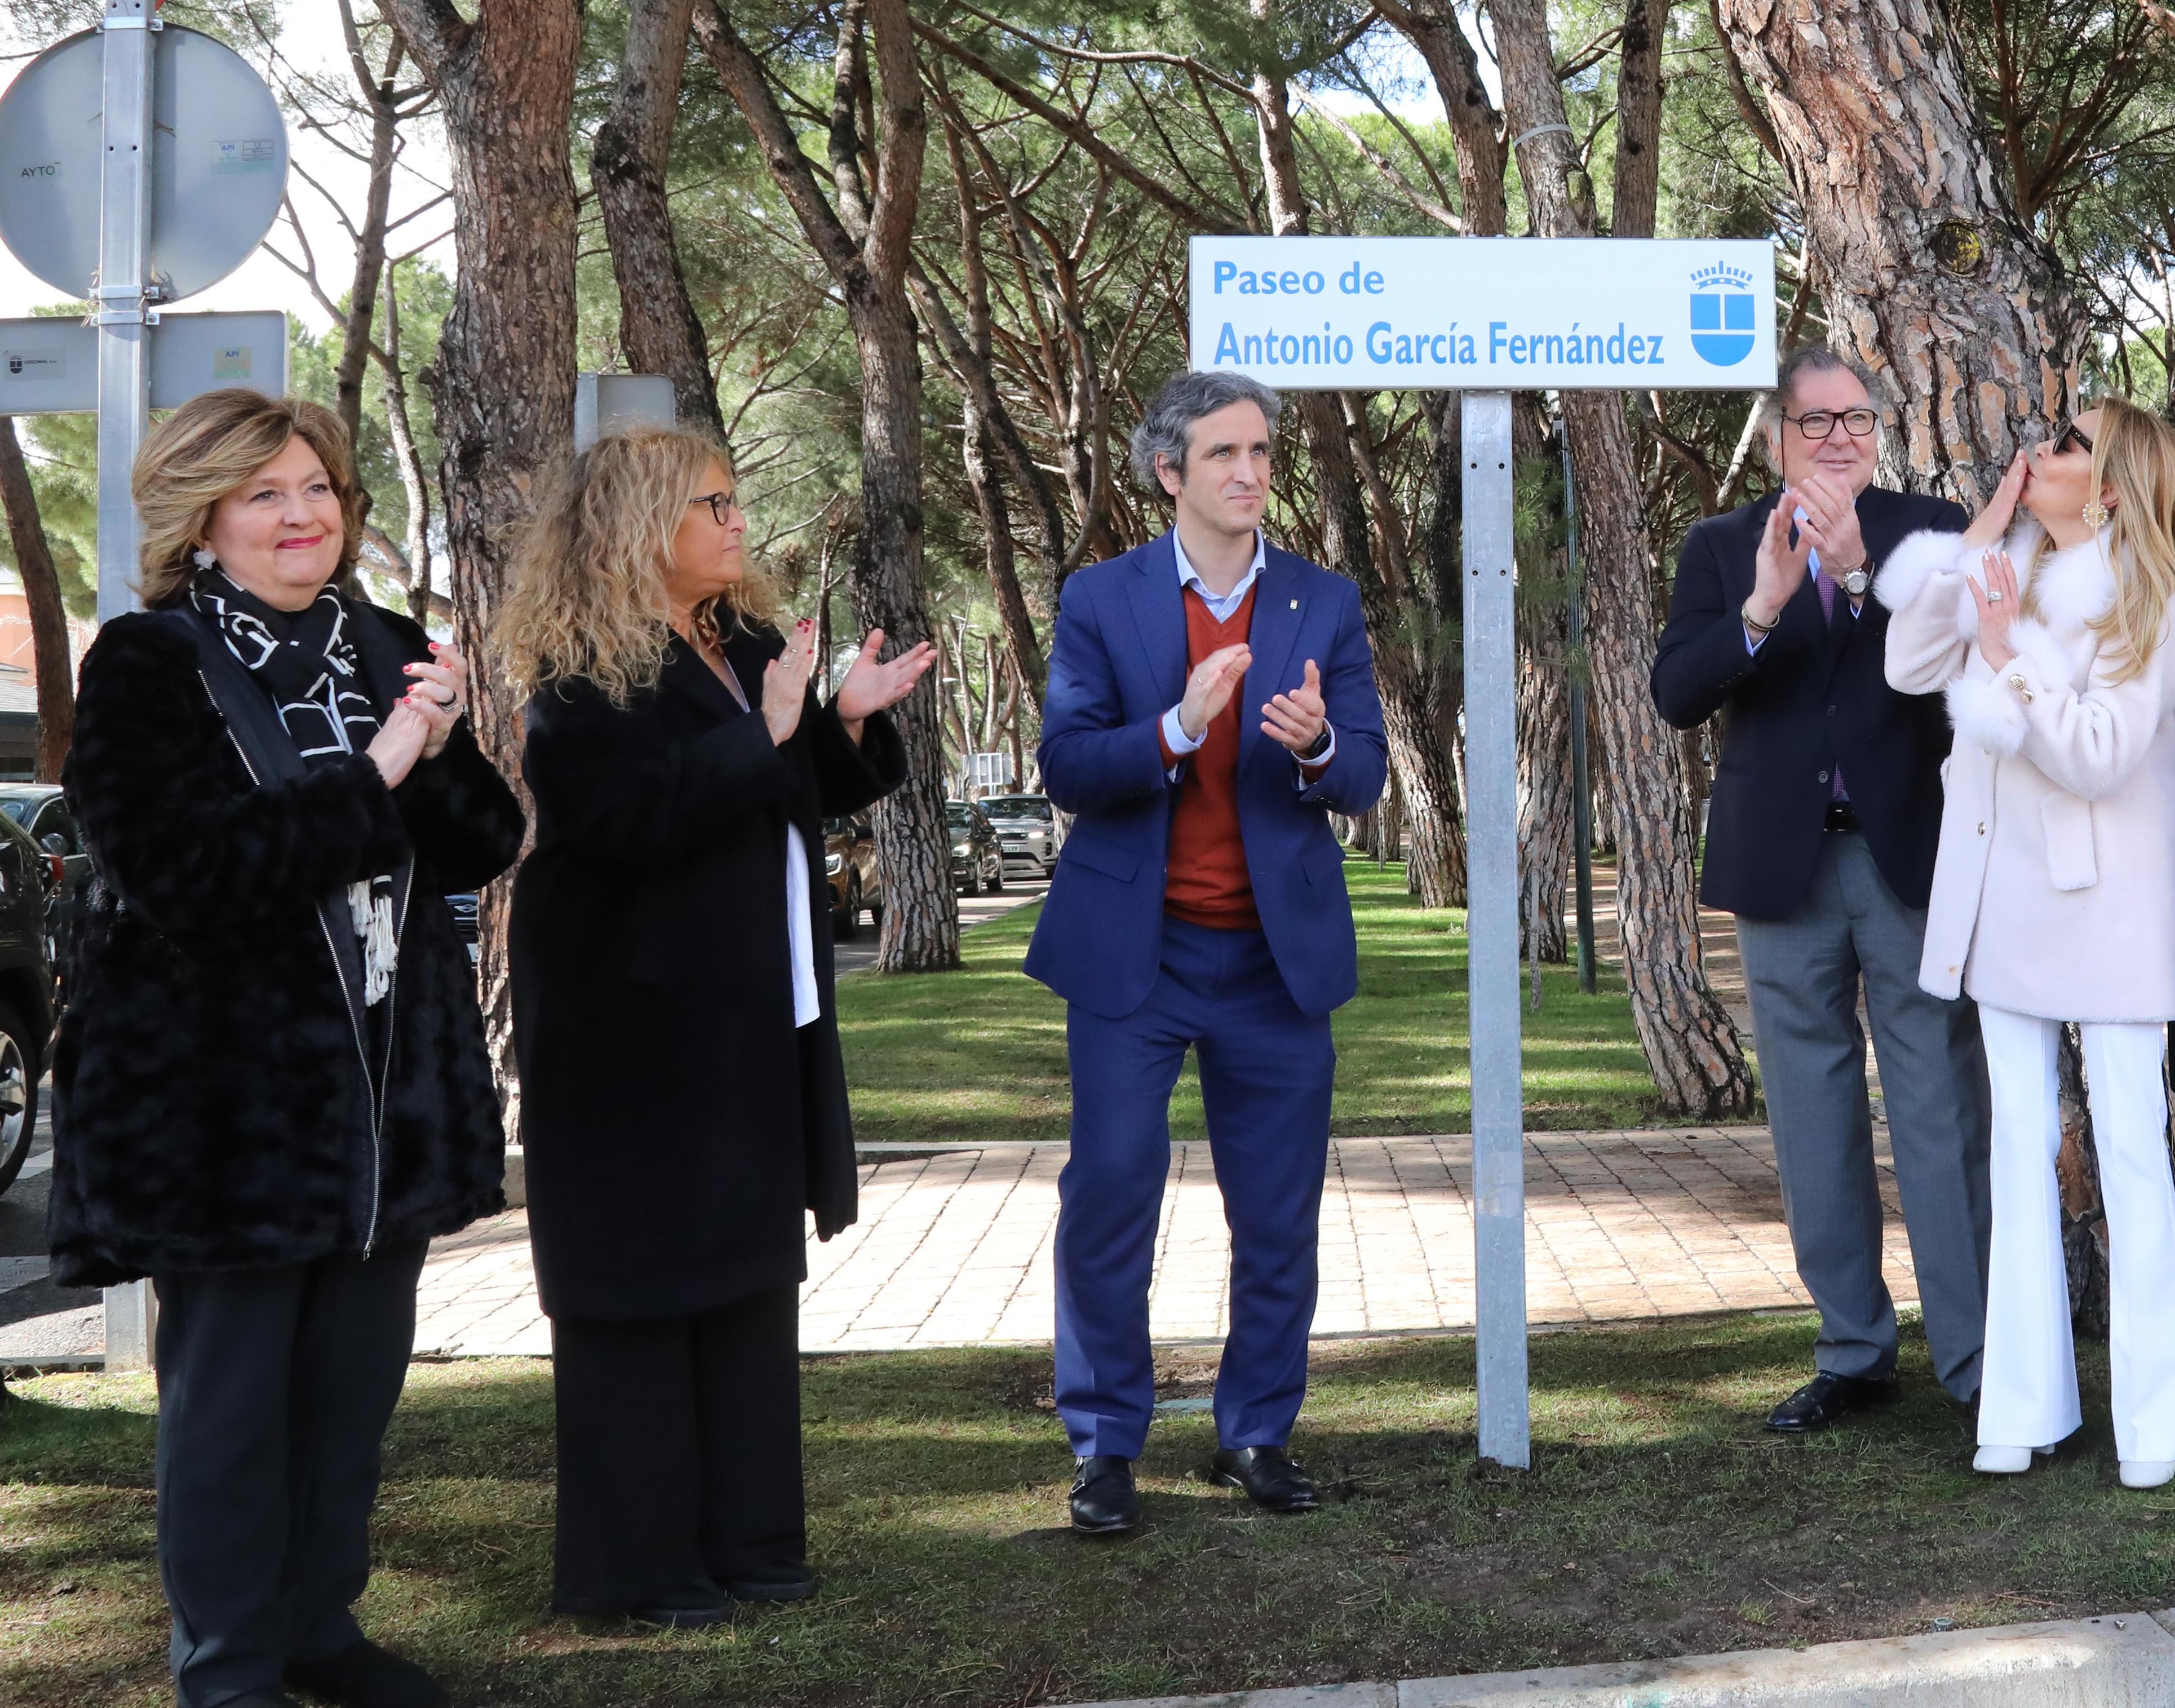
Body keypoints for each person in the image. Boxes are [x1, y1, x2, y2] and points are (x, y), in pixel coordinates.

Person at [48, 390, 523, 1708]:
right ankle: (232, 1667)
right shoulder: (150, 664)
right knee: (232, 1417)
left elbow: (484, 843)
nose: (302, 514)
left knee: (349, 1401)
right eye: (263, 494)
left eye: (316, 487)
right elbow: (186, 878)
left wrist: (441, 733)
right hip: (224, 1115)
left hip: (385, 1099)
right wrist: (380, 772)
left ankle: (319, 1630)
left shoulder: (384, 644)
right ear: (202, 523)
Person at [500, 429, 933, 1626]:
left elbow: (788, 793)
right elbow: (626, 821)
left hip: (752, 1008)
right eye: (714, 504)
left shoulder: (741, 642)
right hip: (631, 1024)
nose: (740, 524)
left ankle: (756, 1543)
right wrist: (769, 731)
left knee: (747, 1276)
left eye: (739, 503)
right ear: (644, 522)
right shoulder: (584, 669)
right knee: (642, 1286)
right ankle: (637, 1570)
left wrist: (839, 720)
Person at [1025, 371, 1389, 1534]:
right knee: (1111, 1195)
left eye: (1263, 452)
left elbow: (1368, 774)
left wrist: (1321, 740)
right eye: (1224, 453)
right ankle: (1104, 1445)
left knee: (1276, 1213)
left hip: (1275, 968)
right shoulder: (1100, 599)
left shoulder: (1322, 602)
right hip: (1137, 960)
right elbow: (1069, 767)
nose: (1250, 472)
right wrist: (1179, 727)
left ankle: (1255, 1432)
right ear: (1169, 473)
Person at [1649, 345, 1992, 1432]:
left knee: (1939, 1103)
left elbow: (1970, 666)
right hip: (1784, 866)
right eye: (1817, 422)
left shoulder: (1933, 532)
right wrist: (1760, 607)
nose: (1841, 437)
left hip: (1909, 860)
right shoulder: (1719, 544)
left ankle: (1980, 1360)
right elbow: (1674, 693)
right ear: (1779, 435)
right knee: (1811, 1112)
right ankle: (1853, 1348)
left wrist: (1853, 576)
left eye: (1858, 418)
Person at [1876, 397, 2175, 1490]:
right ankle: (2022, 1408)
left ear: (2109, 484)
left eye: (2066, 444)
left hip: (2109, 908)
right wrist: (1978, 545)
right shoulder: (2005, 561)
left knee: (2125, 1149)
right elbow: (1905, 665)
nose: (2038, 451)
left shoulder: (2151, 607)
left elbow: (2099, 756)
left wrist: (2006, 649)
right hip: (2002, 898)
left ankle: (2157, 1420)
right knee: (2015, 1149)